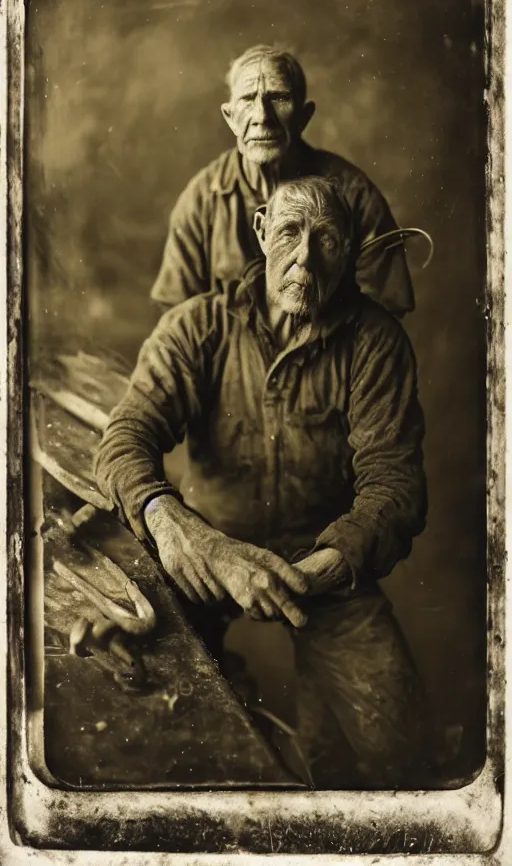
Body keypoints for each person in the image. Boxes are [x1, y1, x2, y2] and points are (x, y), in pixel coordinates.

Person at [96, 176, 427, 788]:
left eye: (327, 240)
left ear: (350, 251)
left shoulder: (376, 342)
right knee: (155, 732)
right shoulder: (198, 326)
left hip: (325, 572)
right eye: (290, 232)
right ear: (259, 230)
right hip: (198, 559)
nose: (305, 257)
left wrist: (303, 575)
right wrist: (180, 533)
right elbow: (123, 441)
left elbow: (394, 490)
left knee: (403, 757)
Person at [151, 44, 414, 317]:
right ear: (230, 118)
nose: (262, 117)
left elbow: (386, 310)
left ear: (304, 116)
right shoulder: (202, 199)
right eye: (248, 99)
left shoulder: (352, 194)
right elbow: (178, 317)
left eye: (278, 98)